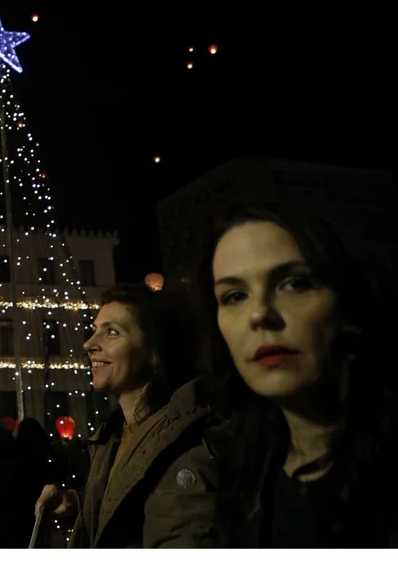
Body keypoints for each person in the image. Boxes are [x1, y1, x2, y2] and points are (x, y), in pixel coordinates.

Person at [200, 202, 398, 547]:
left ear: (349, 299)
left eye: (295, 283)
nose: (259, 314)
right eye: (234, 296)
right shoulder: (242, 473)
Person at [36, 284, 217, 548]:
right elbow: (132, 495)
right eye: (94, 330)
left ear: (155, 352)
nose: (89, 344)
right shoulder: (116, 434)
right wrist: (77, 503)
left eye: (111, 332)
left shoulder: (185, 445)